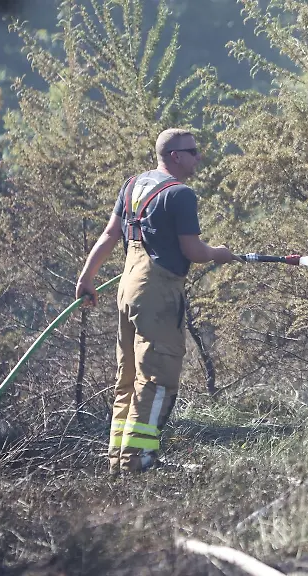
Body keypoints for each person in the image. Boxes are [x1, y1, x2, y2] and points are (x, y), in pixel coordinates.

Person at [75, 128, 237, 474]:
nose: (199, 157)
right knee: (157, 378)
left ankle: (118, 461)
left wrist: (86, 279)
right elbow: (193, 250)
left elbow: (109, 234)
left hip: (127, 290)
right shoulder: (181, 195)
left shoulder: (133, 185)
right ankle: (141, 462)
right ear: (175, 156)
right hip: (157, 294)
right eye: (193, 151)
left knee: (128, 377)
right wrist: (218, 253)